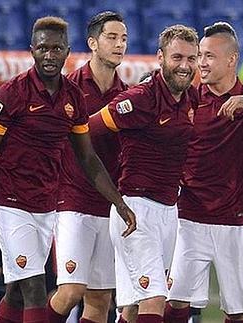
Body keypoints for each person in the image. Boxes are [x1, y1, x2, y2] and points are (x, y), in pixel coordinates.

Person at [0, 16, 136, 323]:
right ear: (32, 50)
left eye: (56, 49)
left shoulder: (73, 97)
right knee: (36, 286)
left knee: (18, 290)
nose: (49, 55)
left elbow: (88, 158)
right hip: (9, 200)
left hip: (45, 204)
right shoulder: (13, 93)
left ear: (66, 51)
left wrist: (118, 201)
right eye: (43, 48)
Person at [164, 22, 243, 323]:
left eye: (208, 56)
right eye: (200, 56)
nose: (201, 63)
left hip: (236, 221)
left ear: (231, 59)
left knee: (238, 312)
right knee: (176, 303)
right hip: (189, 218)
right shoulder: (189, 99)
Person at [89, 24, 199, 323]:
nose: (185, 66)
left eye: (192, 59)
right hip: (135, 211)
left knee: (133, 309)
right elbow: (85, 133)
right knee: (155, 300)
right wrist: (113, 194)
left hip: (168, 211)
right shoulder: (140, 98)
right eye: (177, 58)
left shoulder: (191, 99)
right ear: (160, 57)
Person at [47, 11, 128, 323]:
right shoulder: (67, 89)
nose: (119, 44)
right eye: (111, 37)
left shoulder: (127, 96)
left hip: (108, 207)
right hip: (72, 202)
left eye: (123, 39)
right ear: (93, 43)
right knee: (70, 292)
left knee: (100, 300)